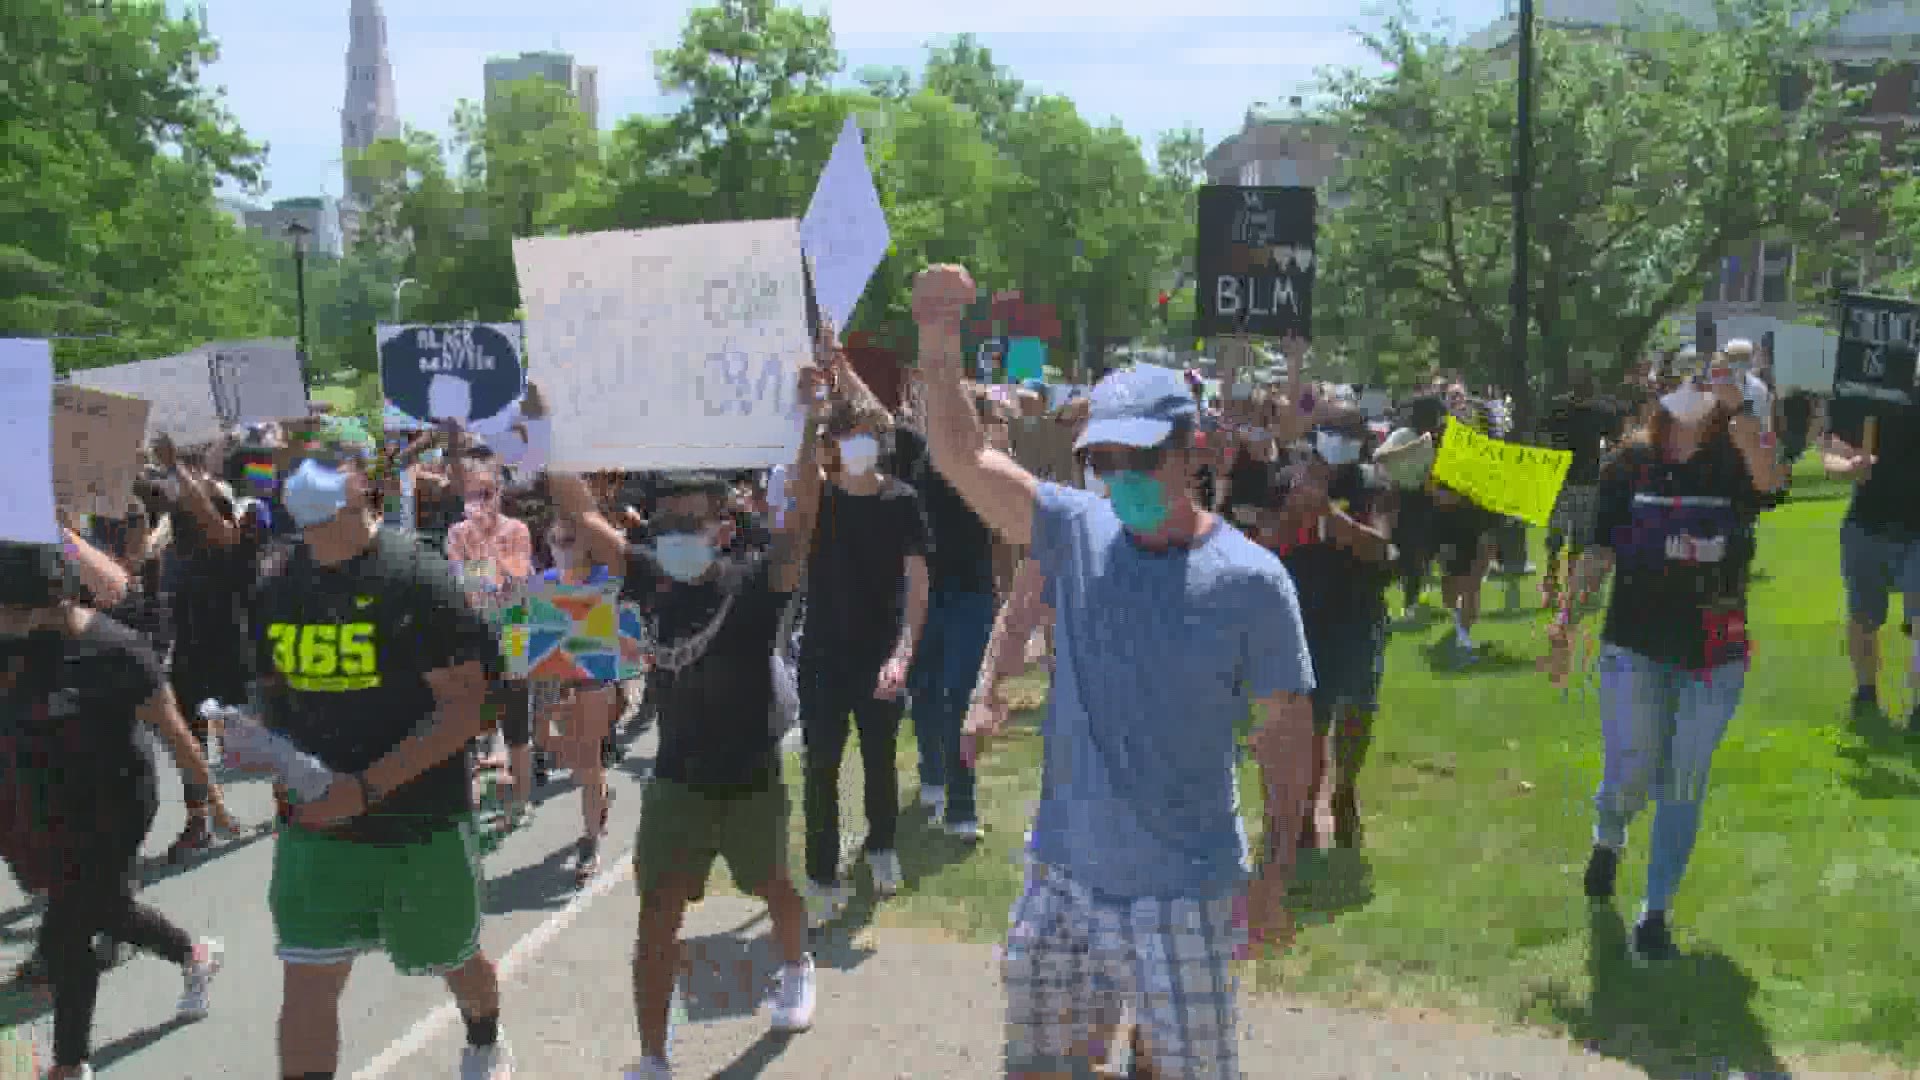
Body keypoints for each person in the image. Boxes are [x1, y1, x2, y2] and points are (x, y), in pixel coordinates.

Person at [915, 264, 1315, 1079]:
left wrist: (1277, 869)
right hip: (1063, 873)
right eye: (1103, 458)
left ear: (1192, 451)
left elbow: (1285, 736)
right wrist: (937, 336)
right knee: (1040, 1065)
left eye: (1140, 457)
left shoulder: (1251, 582)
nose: (1120, 476)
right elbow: (959, 453)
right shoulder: (1075, 529)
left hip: (1186, 890)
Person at [549, 398, 821, 1080]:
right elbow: (581, 516)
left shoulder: (756, 582)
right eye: (666, 516)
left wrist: (811, 427)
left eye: (690, 517)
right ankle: (653, 1055)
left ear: (723, 526)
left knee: (775, 885)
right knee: (657, 917)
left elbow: (803, 523)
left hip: (752, 775)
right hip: (676, 780)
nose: (675, 527)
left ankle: (795, 965)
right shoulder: (650, 576)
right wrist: (551, 429)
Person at [243, 418, 513, 1080]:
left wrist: (361, 791)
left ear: (364, 479)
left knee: (455, 957)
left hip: (418, 823)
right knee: (307, 982)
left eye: (318, 463)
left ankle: (484, 1038)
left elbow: (468, 707)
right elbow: (274, 690)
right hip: (315, 829)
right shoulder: (276, 580)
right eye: (289, 467)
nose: (296, 478)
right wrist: (264, 747)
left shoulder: (414, 577)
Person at [1548, 358, 1780, 961]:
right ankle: (1610, 835)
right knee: (1631, 762)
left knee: (1684, 778)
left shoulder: (1734, 456)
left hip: (1714, 648)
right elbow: (1600, 546)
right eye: (1687, 382)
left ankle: (1654, 913)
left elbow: (1771, 481)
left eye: (1709, 385)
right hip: (1636, 641)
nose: (1695, 394)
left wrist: (1745, 414)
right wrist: (1569, 612)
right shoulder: (1628, 464)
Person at [0, 542, 226, 1080]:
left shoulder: (116, 649)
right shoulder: (13, 644)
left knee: (70, 925)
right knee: (100, 910)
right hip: (45, 795)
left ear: (49, 602)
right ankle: (194, 954)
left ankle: (69, 1063)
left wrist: (210, 797)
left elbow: (173, 730)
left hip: (116, 804)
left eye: (8, 609)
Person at [795, 388, 930, 916]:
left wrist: (902, 654)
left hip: (880, 654)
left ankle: (881, 847)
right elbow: (800, 475)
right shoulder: (819, 498)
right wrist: (810, 415)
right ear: (835, 443)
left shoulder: (902, 501)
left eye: (872, 436)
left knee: (879, 759)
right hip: (823, 657)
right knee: (820, 767)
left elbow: (918, 585)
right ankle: (821, 877)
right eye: (853, 436)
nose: (863, 445)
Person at [1268, 408, 1395, 850]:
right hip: (1303, 615)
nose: (1336, 442)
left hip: (1359, 614)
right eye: (1331, 433)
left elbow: (1380, 549)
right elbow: (1268, 546)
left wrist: (1330, 514)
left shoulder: (1372, 484)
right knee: (1310, 722)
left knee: (1358, 710)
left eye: (1347, 435)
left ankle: (1344, 794)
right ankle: (1304, 809)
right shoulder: (1288, 478)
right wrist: (1293, 509)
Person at [150, 433, 266, 861]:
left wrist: (176, 465)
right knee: (190, 739)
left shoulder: (233, 537)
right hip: (189, 652)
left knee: (255, 734)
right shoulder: (177, 549)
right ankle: (198, 821)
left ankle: (288, 799)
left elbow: (211, 519)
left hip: (234, 650)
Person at [896, 392, 1002, 842]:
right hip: (926, 593)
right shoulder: (917, 455)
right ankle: (933, 775)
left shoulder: (988, 466)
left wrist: (1009, 595)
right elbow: (876, 416)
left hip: (972, 596)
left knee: (958, 697)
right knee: (923, 689)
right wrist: (840, 367)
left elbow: (1006, 535)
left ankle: (962, 807)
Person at [445, 463, 538, 831]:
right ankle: (469, 802)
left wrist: (485, 566)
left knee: (517, 724)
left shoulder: (518, 529)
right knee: (469, 723)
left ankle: (521, 801)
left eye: (486, 493)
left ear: (500, 493)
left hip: (514, 634)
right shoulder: (456, 533)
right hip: (471, 637)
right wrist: (491, 571)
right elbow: (461, 582)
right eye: (471, 494)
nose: (479, 502)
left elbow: (516, 578)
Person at [528, 516, 620, 884]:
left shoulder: (604, 580)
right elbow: (527, 631)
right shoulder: (540, 582)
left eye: (569, 541)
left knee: (588, 759)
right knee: (568, 758)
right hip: (552, 681)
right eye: (555, 542)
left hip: (592, 681)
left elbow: (602, 636)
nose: (561, 549)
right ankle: (599, 796)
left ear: (585, 545)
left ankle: (591, 840)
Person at [1824, 399, 1920, 724]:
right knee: (1864, 619)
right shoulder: (1868, 395)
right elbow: (1832, 453)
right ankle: (1866, 694)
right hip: (1868, 525)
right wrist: (1848, 467)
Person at [1541, 374, 1623, 611]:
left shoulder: (1599, 411)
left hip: (1585, 481)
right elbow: (1544, 435)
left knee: (1577, 537)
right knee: (1557, 537)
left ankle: (1568, 586)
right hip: (1564, 481)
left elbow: (1614, 439)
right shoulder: (1561, 408)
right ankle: (1553, 583)